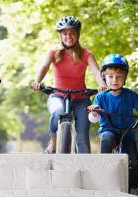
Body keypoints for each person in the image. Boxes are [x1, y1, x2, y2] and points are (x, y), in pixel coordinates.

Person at [87, 54, 138, 195]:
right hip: (108, 130)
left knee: (134, 160)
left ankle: (133, 187)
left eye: (119, 77)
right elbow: (93, 117)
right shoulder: (101, 96)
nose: (115, 80)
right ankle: (104, 179)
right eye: (111, 77)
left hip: (127, 131)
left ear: (125, 78)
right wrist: (94, 112)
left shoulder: (130, 95)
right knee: (107, 140)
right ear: (104, 77)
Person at [32, 16, 107, 154]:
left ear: (78, 34)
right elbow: (44, 66)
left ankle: (85, 169)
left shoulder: (86, 54)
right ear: (60, 35)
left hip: (80, 98)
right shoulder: (54, 52)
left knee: (83, 137)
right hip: (58, 96)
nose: (68, 36)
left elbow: (96, 71)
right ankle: (53, 142)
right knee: (57, 112)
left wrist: (102, 83)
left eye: (72, 33)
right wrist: (37, 81)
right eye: (65, 33)